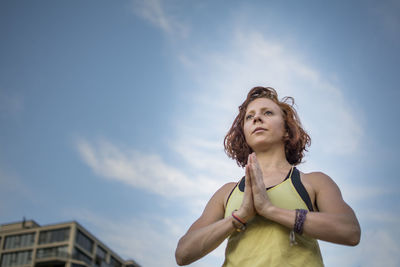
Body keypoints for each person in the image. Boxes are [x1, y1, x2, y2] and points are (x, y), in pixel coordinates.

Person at [175, 86, 361, 266]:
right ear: (245, 134)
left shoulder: (314, 182)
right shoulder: (226, 193)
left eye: (268, 113)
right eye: (250, 116)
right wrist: (240, 217)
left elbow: (350, 231)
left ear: (287, 130)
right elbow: (183, 254)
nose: (257, 118)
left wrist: (270, 210)